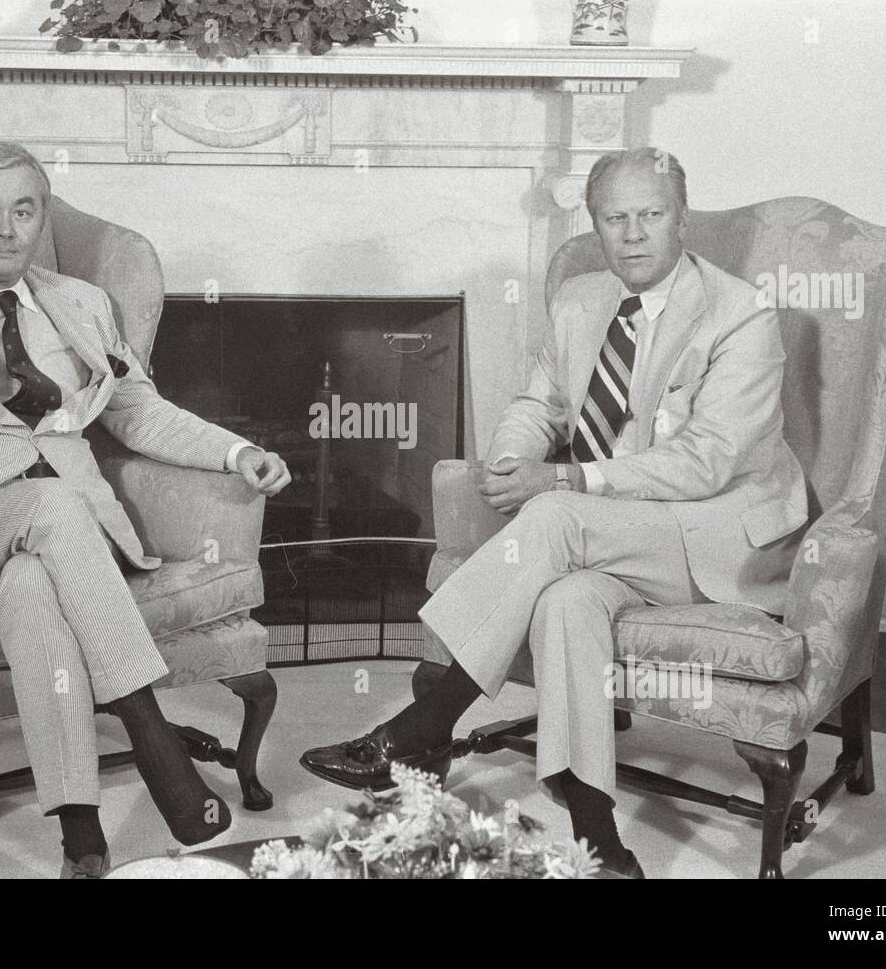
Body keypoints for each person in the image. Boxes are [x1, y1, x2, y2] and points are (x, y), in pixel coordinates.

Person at [300, 147, 808, 878]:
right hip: (616, 534)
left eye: (651, 215)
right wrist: (509, 464)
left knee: (558, 515)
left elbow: (706, 462)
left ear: (681, 219)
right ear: (595, 224)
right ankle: (602, 844)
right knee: (566, 600)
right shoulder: (580, 300)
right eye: (615, 218)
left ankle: (421, 724)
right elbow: (537, 403)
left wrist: (563, 478)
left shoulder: (740, 315)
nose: (633, 234)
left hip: (717, 534)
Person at [0, 141, 291, 878]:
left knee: (37, 584)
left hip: (63, 536)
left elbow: (139, 412)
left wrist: (237, 454)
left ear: (39, 222)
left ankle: (83, 843)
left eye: (24, 210)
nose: (6, 228)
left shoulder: (83, 303)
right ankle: (151, 731)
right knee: (49, 500)